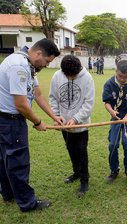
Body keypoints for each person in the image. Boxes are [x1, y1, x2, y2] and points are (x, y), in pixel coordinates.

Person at [0, 38, 64, 212]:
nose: (47, 65)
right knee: (17, 161)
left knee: (5, 159)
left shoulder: (28, 64)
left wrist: (53, 116)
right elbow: (21, 104)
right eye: (47, 61)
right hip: (10, 121)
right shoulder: (19, 66)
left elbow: (38, 94)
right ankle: (27, 203)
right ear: (38, 53)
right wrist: (38, 122)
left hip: (8, 120)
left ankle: (8, 194)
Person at [49, 55, 95, 197]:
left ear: (79, 69)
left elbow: (88, 104)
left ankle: (84, 180)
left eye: (73, 76)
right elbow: (53, 98)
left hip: (81, 126)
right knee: (70, 149)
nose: (70, 78)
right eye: (67, 76)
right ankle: (76, 172)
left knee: (81, 151)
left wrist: (75, 119)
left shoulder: (87, 78)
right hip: (64, 125)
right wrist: (57, 117)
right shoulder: (57, 76)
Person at [102, 60, 127, 188]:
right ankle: (114, 169)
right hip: (116, 118)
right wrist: (112, 112)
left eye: (126, 76)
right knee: (112, 144)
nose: (123, 79)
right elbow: (107, 102)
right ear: (116, 72)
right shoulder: (109, 84)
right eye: (120, 76)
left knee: (126, 143)